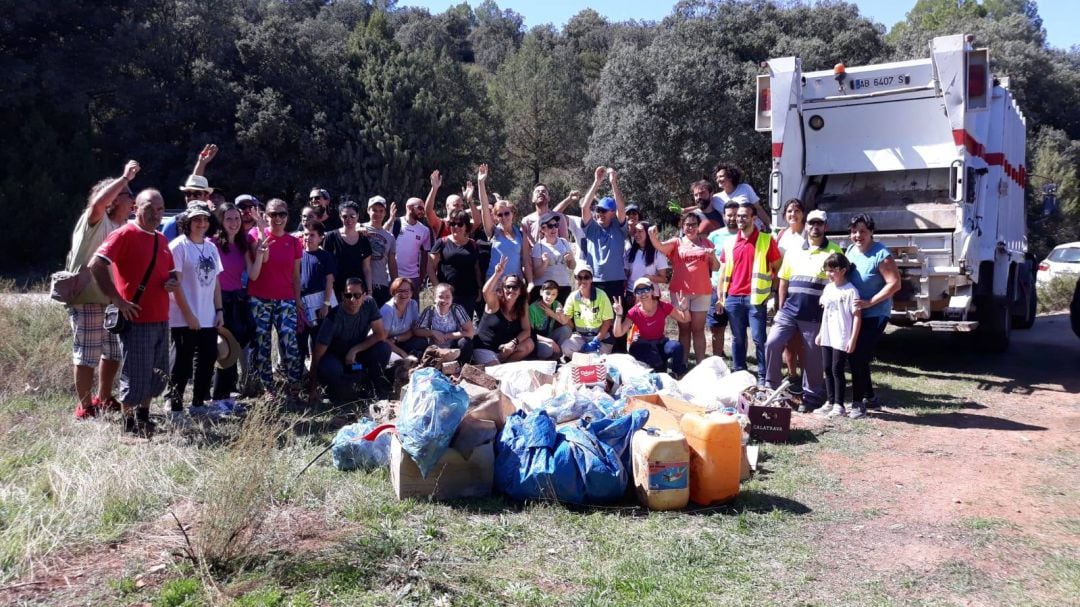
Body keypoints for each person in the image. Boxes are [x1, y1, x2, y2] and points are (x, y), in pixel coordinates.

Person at [89, 189, 177, 438]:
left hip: (161, 317)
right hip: (136, 319)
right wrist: (117, 300)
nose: (156, 214)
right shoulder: (125, 234)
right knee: (135, 373)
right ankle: (128, 426)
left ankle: (144, 419)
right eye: (149, 208)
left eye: (160, 209)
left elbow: (170, 272)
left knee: (156, 373)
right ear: (136, 208)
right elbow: (96, 263)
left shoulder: (161, 239)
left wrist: (172, 282)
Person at [64, 160, 139, 419]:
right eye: (130, 196)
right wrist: (124, 178)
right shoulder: (95, 220)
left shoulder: (123, 229)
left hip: (111, 301)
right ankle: (85, 408)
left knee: (114, 352)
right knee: (87, 355)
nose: (133, 201)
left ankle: (105, 398)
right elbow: (97, 204)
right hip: (86, 299)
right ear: (115, 199)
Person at [763, 210, 841, 412]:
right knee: (772, 343)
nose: (815, 227)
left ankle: (812, 396)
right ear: (805, 226)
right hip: (789, 311)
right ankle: (772, 390)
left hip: (815, 314)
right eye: (811, 223)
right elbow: (784, 281)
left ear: (826, 227)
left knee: (813, 356)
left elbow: (839, 282)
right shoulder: (794, 250)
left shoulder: (835, 252)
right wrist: (780, 308)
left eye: (819, 224)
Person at [166, 204, 224, 425]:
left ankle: (198, 404)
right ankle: (175, 408)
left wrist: (219, 310)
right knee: (181, 362)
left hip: (208, 315)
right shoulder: (178, 247)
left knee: (207, 360)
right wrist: (188, 314)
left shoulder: (210, 247)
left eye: (205, 219)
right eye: (197, 220)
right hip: (184, 317)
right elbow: (176, 284)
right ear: (187, 222)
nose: (202, 224)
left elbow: (216, 282)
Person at [715, 203, 782, 383]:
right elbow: (723, 272)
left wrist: (773, 293)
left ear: (754, 218)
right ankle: (739, 373)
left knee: (759, 339)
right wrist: (721, 298)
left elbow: (777, 267)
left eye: (744, 216)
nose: (740, 219)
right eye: (738, 216)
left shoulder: (766, 240)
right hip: (733, 298)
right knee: (737, 338)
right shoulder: (729, 244)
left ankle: (763, 377)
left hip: (756, 298)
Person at [247, 198, 304, 395]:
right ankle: (268, 388)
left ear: (288, 216)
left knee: (290, 342)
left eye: (282, 214)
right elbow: (264, 259)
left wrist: (297, 301)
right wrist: (262, 230)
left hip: (285, 298)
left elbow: (296, 276)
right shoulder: (254, 235)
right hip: (259, 298)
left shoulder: (294, 242)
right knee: (263, 343)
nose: (277, 218)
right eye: (273, 214)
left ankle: (295, 386)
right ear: (265, 215)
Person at [649, 211, 719, 366]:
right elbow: (660, 247)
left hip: (702, 291)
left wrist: (712, 256)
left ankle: (701, 365)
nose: (690, 227)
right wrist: (652, 236)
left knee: (698, 329)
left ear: (698, 226)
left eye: (694, 224)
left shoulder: (707, 243)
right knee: (684, 328)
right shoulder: (677, 242)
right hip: (680, 292)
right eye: (687, 224)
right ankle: (683, 363)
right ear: (682, 226)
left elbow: (715, 267)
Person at [846, 214, 901, 410]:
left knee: (859, 354)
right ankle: (870, 396)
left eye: (862, 231)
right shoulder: (851, 251)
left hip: (876, 313)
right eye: (854, 231)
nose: (857, 235)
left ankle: (858, 403)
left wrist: (870, 302)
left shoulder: (881, 254)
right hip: (857, 313)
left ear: (871, 233)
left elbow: (894, 284)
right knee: (856, 354)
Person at [308, 278, 391, 404]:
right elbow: (317, 354)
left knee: (383, 348)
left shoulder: (370, 304)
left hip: (356, 355)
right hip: (335, 357)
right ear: (342, 296)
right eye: (348, 295)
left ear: (364, 296)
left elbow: (380, 334)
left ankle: (374, 388)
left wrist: (355, 350)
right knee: (332, 369)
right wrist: (312, 388)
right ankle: (335, 393)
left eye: (357, 295)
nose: (353, 300)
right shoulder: (333, 317)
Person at [210, 202, 256, 409]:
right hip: (219, 302)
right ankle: (218, 397)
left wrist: (261, 253)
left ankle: (226, 396)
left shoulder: (242, 244)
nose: (234, 223)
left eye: (236, 218)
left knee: (235, 349)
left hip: (238, 301)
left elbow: (253, 274)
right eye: (228, 218)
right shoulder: (212, 245)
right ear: (220, 220)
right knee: (223, 350)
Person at [815, 253, 863, 419]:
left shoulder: (851, 291)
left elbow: (857, 316)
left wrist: (853, 339)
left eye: (833, 270)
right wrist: (821, 333)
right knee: (827, 368)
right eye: (827, 270)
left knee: (837, 369)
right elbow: (825, 312)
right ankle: (830, 401)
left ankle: (839, 404)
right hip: (828, 334)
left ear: (843, 270)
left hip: (842, 335)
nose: (829, 274)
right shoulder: (828, 289)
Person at [613, 277, 691, 376]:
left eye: (646, 289)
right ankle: (658, 368)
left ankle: (677, 374)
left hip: (660, 343)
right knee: (657, 367)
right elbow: (617, 333)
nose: (643, 294)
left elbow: (685, 319)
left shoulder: (663, 306)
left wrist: (685, 308)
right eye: (639, 291)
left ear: (652, 291)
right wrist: (618, 315)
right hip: (642, 345)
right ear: (635, 294)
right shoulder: (634, 312)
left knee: (676, 347)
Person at [472, 257, 534, 364]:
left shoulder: (522, 305)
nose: (511, 290)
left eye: (515, 287)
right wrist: (497, 274)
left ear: (520, 291)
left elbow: (526, 330)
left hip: (505, 350)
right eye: (508, 286)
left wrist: (513, 343)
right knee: (495, 367)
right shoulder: (495, 303)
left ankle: (507, 365)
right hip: (485, 348)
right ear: (503, 289)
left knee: (529, 344)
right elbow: (486, 292)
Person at [773, 198, 808, 386]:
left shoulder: (809, 234)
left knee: (804, 337)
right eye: (789, 211)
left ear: (803, 214)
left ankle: (806, 375)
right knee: (787, 335)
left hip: (805, 289)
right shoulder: (781, 236)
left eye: (796, 211)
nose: (793, 214)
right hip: (784, 287)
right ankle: (792, 374)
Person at [579, 166, 627, 302]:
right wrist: (597, 181)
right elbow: (584, 207)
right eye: (598, 210)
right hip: (595, 280)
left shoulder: (619, 227)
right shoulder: (592, 228)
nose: (599, 213)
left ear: (613, 213)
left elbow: (622, 208)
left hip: (616, 281)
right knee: (595, 319)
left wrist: (613, 182)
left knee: (616, 317)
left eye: (604, 211)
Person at [478, 164, 532, 285]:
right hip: (495, 282)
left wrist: (530, 282)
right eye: (500, 215)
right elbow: (484, 207)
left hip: (514, 284)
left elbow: (525, 260)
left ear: (513, 213)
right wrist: (481, 183)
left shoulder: (521, 234)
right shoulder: (492, 231)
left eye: (506, 213)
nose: (504, 217)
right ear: (496, 217)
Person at [429, 209, 482, 317]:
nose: (455, 227)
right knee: (445, 327)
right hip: (446, 296)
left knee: (465, 328)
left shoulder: (473, 245)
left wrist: (480, 289)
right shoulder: (442, 243)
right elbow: (430, 267)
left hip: (468, 294)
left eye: (459, 224)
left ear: (466, 226)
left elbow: (476, 269)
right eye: (452, 223)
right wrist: (437, 288)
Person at [298, 222, 337, 362]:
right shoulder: (298, 255)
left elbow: (329, 281)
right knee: (300, 340)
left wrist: (325, 304)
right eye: (306, 234)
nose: (308, 238)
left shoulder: (325, 256)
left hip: (321, 304)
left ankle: (318, 373)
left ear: (321, 237)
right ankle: (301, 373)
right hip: (302, 304)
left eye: (312, 235)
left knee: (319, 340)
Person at [162, 144, 218, 241]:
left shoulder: (214, 223)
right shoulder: (174, 225)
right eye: (188, 193)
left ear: (206, 196)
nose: (191, 197)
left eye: (197, 194)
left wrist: (202, 163)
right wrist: (201, 163)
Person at [557, 264, 616, 357]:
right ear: (575, 279)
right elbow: (565, 320)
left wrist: (597, 339)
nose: (583, 281)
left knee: (593, 357)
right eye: (579, 277)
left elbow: (607, 321)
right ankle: (583, 358)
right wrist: (560, 315)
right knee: (566, 347)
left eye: (586, 277)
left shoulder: (601, 295)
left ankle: (583, 358)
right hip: (581, 337)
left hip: (600, 337)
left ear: (591, 279)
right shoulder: (573, 296)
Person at [706, 200, 739, 358]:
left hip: (738, 289)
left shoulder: (746, 234)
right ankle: (717, 359)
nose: (732, 218)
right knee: (716, 327)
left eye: (735, 215)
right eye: (729, 215)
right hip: (716, 288)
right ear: (724, 216)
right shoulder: (715, 235)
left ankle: (740, 362)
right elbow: (708, 262)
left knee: (738, 328)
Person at [322, 200, 373, 301]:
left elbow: (366, 268)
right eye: (345, 216)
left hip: (358, 293)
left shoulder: (363, 240)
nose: (349, 219)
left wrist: (370, 292)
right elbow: (325, 267)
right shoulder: (331, 237)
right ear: (340, 217)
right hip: (337, 291)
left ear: (357, 216)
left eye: (352, 216)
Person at [415, 283, 476, 363]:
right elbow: (416, 330)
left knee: (465, 342)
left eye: (447, 297)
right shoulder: (429, 310)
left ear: (452, 298)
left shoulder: (457, 309)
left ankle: (461, 366)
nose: (444, 300)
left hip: (454, 348)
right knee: (418, 342)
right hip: (434, 349)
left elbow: (470, 332)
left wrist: (448, 336)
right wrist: (432, 332)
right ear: (435, 298)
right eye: (440, 297)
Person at [391, 196, 433, 300]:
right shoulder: (395, 223)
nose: (423, 212)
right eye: (420, 208)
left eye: (423, 209)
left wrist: (421, 277)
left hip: (413, 278)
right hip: (393, 276)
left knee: (413, 309)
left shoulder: (425, 230)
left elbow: (424, 255)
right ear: (409, 207)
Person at [529, 211, 575, 303]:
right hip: (545, 290)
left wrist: (571, 260)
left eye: (556, 225)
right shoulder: (538, 246)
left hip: (563, 287)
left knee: (562, 316)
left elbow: (572, 266)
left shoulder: (564, 242)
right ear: (542, 229)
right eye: (550, 226)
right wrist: (545, 264)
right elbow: (536, 274)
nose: (554, 229)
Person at [361, 196, 397, 307]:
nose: (378, 213)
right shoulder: (359, 229)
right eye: (374, 210)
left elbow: (392, 264)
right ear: (368, 210)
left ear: (385, 213)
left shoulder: (390, 237)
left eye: (381, 211)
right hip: (361, 283)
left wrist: (396, 284)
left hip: (382, 284)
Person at [712, 163, 770, 232]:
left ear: (730, 177)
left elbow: (758, 208)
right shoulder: (715, 199)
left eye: (721, 176)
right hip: (735, 235)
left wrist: (770, 225)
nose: (718, 180)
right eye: (717, 177)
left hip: (756, 230)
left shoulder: (745, 188)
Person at [424, 170, 480, 239]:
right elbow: (428, 211)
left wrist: (469, 200)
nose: (460, 208)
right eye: (456, 205)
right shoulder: (441, 224)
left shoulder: (464, 225)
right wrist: (434, 189)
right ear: (447, 206)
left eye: (462, 206)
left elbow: (477, 222)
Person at [380, 277, 426, 359]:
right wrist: (403, 353)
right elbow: (382, 339)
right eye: (400, 291)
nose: (404, 294)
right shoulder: (387, 310)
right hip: (384, 344)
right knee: (388, 353)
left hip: (399, 340)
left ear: (411, 292)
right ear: (393, 292)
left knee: (422, 341)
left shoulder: (413, 304)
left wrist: (396, 339)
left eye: (407, 291)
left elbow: (414, 330)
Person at [529, 280, 572, 360]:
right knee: (547, 350)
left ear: (556, 295)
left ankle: (558, 356)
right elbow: (530, 333)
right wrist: (549, 341)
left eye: (553, 294)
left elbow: (565, 323)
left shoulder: (557, 304)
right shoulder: (532, 308)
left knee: (566, 330)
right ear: (541, 292)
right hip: (537, 339)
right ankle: (546, 358)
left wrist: (554, 314)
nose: (550, 297)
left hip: (549, 336)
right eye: (547, 293)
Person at [625, 220, 670, 293]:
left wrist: (649, 277)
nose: (636, 234)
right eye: (635, 232)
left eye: (640, 231)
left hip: (650, 294)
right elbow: (626, 274)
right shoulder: (629, 252)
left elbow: (663, 278)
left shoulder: (657, 253)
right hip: (631, 292)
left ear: (648, 233)